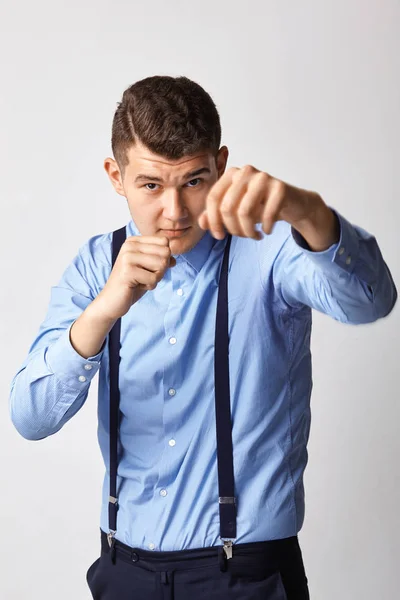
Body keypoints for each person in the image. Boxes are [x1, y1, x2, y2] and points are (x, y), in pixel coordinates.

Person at [9, 75, 397, 600]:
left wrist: (309, 212)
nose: (174, 212)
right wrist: (101, 314)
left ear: (220, 164)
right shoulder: (97, 265)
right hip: (124, 572)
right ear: (115, 176)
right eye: (150, 185)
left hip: (247, 575)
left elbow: (372, 299)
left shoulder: (273, 249)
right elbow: (30, 417)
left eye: (193, 181)